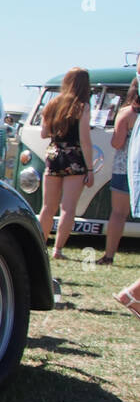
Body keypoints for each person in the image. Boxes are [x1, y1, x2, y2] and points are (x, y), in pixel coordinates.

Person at [38, 67, 94, 260]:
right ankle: (58, 250)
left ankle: (40, 244)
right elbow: (85, 140)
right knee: (68, 208)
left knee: (47, 207)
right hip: (74, 157)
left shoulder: (52, 103)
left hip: (53, 155)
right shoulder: (82, 106)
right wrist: (91, 168)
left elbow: (44, 133)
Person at [102, 77, 138, 264]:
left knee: (118, 213)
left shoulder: (126, 113)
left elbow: (117, 142)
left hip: (125, 168)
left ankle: (109, 255)